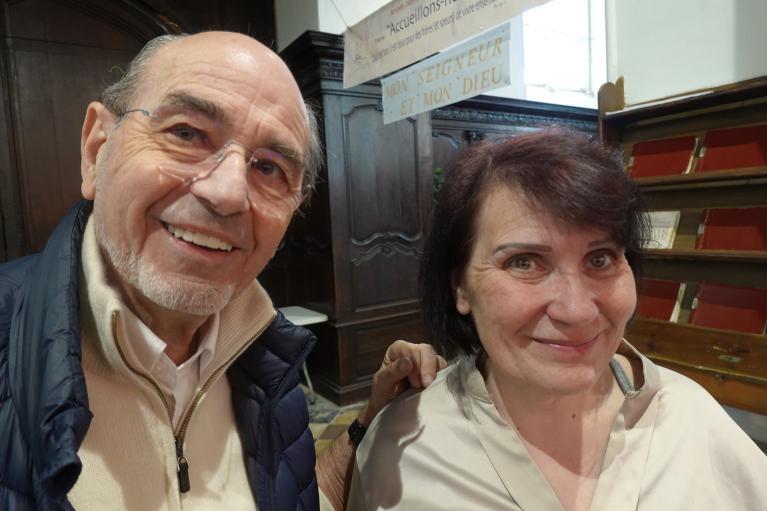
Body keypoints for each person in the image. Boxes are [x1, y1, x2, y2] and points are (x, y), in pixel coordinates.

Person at [0, 32, 444, 511]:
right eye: (186, 134)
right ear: (96, 149)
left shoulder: (271, 363)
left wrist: (371, 416)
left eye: (269, 168)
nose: (228, 193)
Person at [348, 129, 767, 510]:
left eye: (600, 259)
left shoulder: (690, 418)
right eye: (524, 262)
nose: (577, 310)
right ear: (460, 286)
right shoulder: (405, 447)